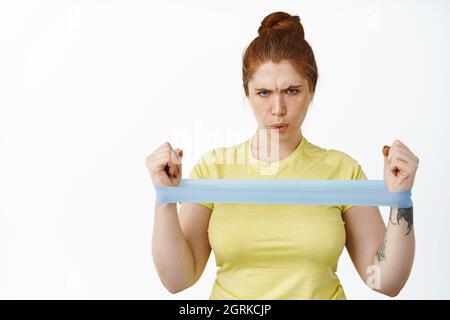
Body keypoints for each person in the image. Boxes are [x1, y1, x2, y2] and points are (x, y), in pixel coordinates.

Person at [145, 11, 419, 299]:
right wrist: (164, 197)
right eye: (263, 93)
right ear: (247, 93)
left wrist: (400, 198)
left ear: (311, 90)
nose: (277, 108)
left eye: (291, 90)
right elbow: (177, 280)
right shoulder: (214, 169)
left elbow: (385, 282)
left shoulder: (341, 170)